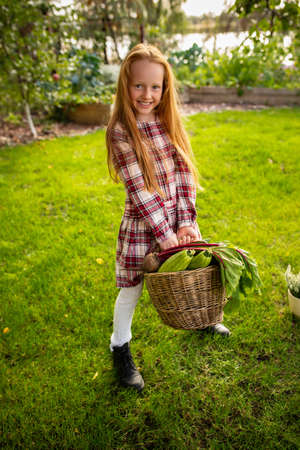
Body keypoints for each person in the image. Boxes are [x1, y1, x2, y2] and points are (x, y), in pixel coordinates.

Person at [106, 43, 230, 392]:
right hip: (144, 225)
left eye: (155, 87)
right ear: (125, 85)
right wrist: (162, 233)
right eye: (139, 86)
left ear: (165, 88)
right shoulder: (120, 131)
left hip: (178, 219)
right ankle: (120, 347)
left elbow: (186, 173)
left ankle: (204, 317)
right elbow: (139, 190)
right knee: (131, 288)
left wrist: (187, 220)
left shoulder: (167, 121)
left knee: (198, 271)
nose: (147, 94)